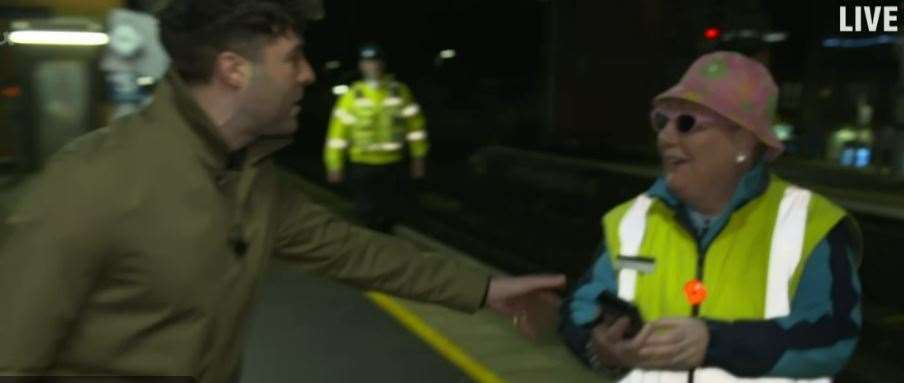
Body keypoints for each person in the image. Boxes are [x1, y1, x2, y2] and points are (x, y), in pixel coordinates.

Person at [0, 1, 564, 381]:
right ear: (233, 71)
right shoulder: (90, 186)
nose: (310, 76)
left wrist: (487, 289)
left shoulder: (247, 177)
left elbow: (357, 251)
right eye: (292, 60)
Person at [559, 52, 862, 382]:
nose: (665, 137)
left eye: (686, 124)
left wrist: (713, 342)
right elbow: (580, 309)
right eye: (662, 121)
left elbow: (834, 335)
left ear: (743, 142)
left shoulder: (809, 225)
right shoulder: (631, 221)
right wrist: (601, 347)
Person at [324, 43, 427, 231]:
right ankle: (369, 253)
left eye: (377, 61)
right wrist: (334, 165)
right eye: (368, 62)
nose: (374, 66)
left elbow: (416, 129)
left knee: (391, 215)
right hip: (362, 166)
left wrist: (418, 158)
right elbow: (337, 135)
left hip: (393, 165)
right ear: (362, 66)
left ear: (383, 64)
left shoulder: (400, 92)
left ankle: (384, 250)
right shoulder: (352, 96)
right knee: (366, 214)